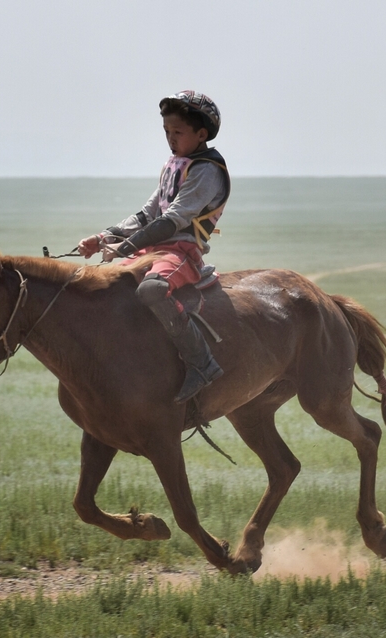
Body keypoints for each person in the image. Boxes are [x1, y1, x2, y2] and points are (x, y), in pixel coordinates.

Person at [78, 90, 231, 404]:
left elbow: (172, 220)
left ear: (202, 135)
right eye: (166, 131)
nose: (170, 138)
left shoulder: (206, 170)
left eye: (178, 132)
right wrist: (104, 237)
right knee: (105, 287)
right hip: (153, 249)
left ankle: (201, 363)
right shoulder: (174, 164)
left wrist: (124, 247)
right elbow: (147, 215)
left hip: (182, 251)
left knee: (151, 290)